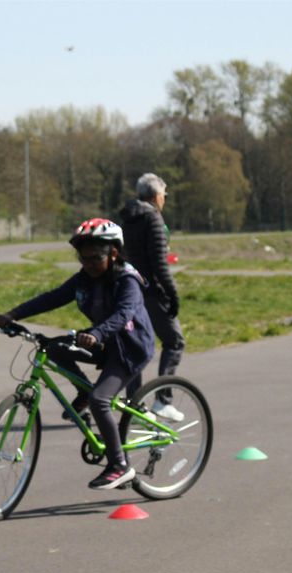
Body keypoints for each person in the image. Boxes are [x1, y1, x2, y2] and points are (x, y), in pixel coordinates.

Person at [0, 218, 156, 489]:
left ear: (113, 253)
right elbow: (52, 297)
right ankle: (83, 393)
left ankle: (119, 465)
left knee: (101, 400)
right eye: (83, 258)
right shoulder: (84, 279)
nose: (88, 263)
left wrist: (98, 334)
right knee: (52, 348)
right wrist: (12, 315)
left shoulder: (127, 279)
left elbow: (123, 313)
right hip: (102, 341)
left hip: (129, 348)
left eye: (95, 258)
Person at [118, 173, 186, 420]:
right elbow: (159, 263)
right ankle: (163, 400)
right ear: (157, 196)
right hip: (152, 291)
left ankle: (134, 404)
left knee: (136, 347)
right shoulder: (153, 218)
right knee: (174, 341)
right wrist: (172, 293)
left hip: (131, 290)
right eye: (163, 196)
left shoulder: (127, 218)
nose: (164, 200)